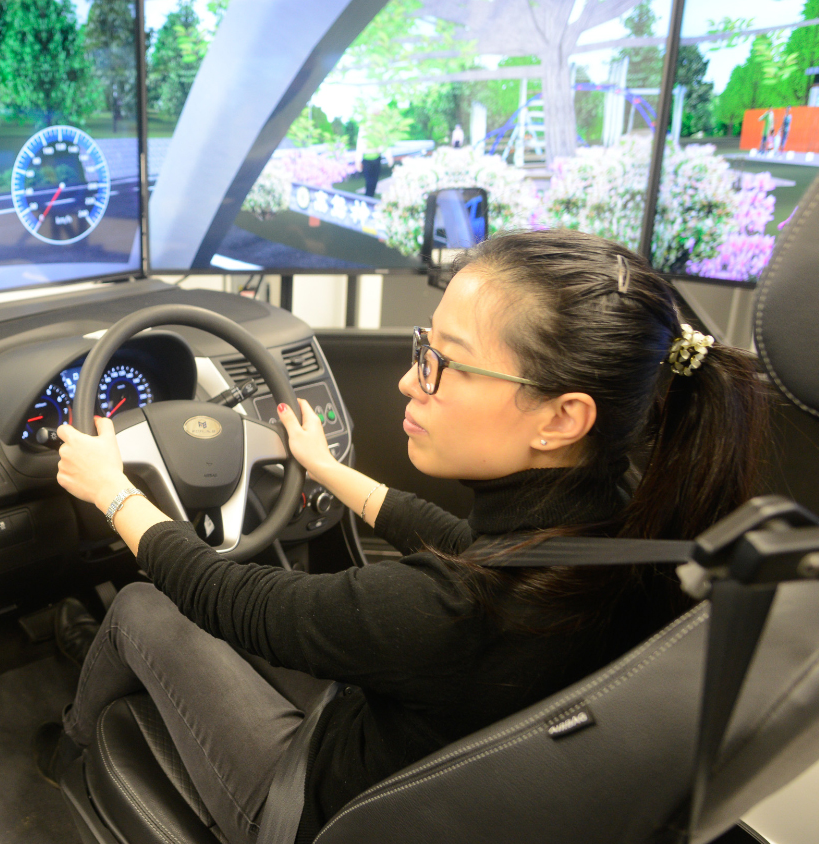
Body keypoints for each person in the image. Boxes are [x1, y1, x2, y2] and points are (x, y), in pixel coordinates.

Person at [38, 229, 769, 844]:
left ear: (561, 418)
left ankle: (62, 752)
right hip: (435, 767)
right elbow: (458, 542)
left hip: (316, 811)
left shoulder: (445, 613)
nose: (409, 384)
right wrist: (328, 471)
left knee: (144, 607)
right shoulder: (631, 533)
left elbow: (235, 600)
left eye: (444, 364)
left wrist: (115, 493)